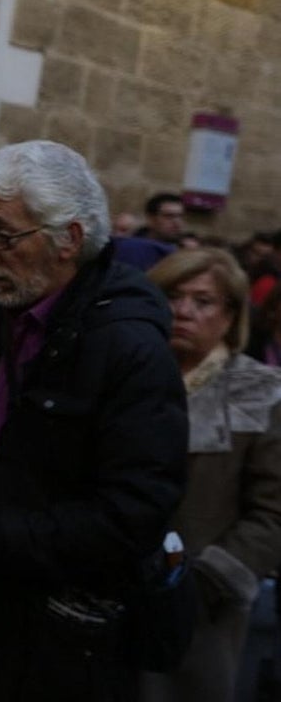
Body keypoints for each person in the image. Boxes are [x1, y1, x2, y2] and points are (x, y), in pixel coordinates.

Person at [0, 140, 188, 701]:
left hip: (57, 633)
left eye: (4, 236)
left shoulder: (128, 347)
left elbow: (133, 516)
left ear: (68, 240)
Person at [140, 248, 281, 702]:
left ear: (230, 314)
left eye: (202, 301)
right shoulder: (128, 373)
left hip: (199, 609)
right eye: (172, 297)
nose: (183, 312)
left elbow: (273, 511)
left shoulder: (258, 391)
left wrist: (205, 583)